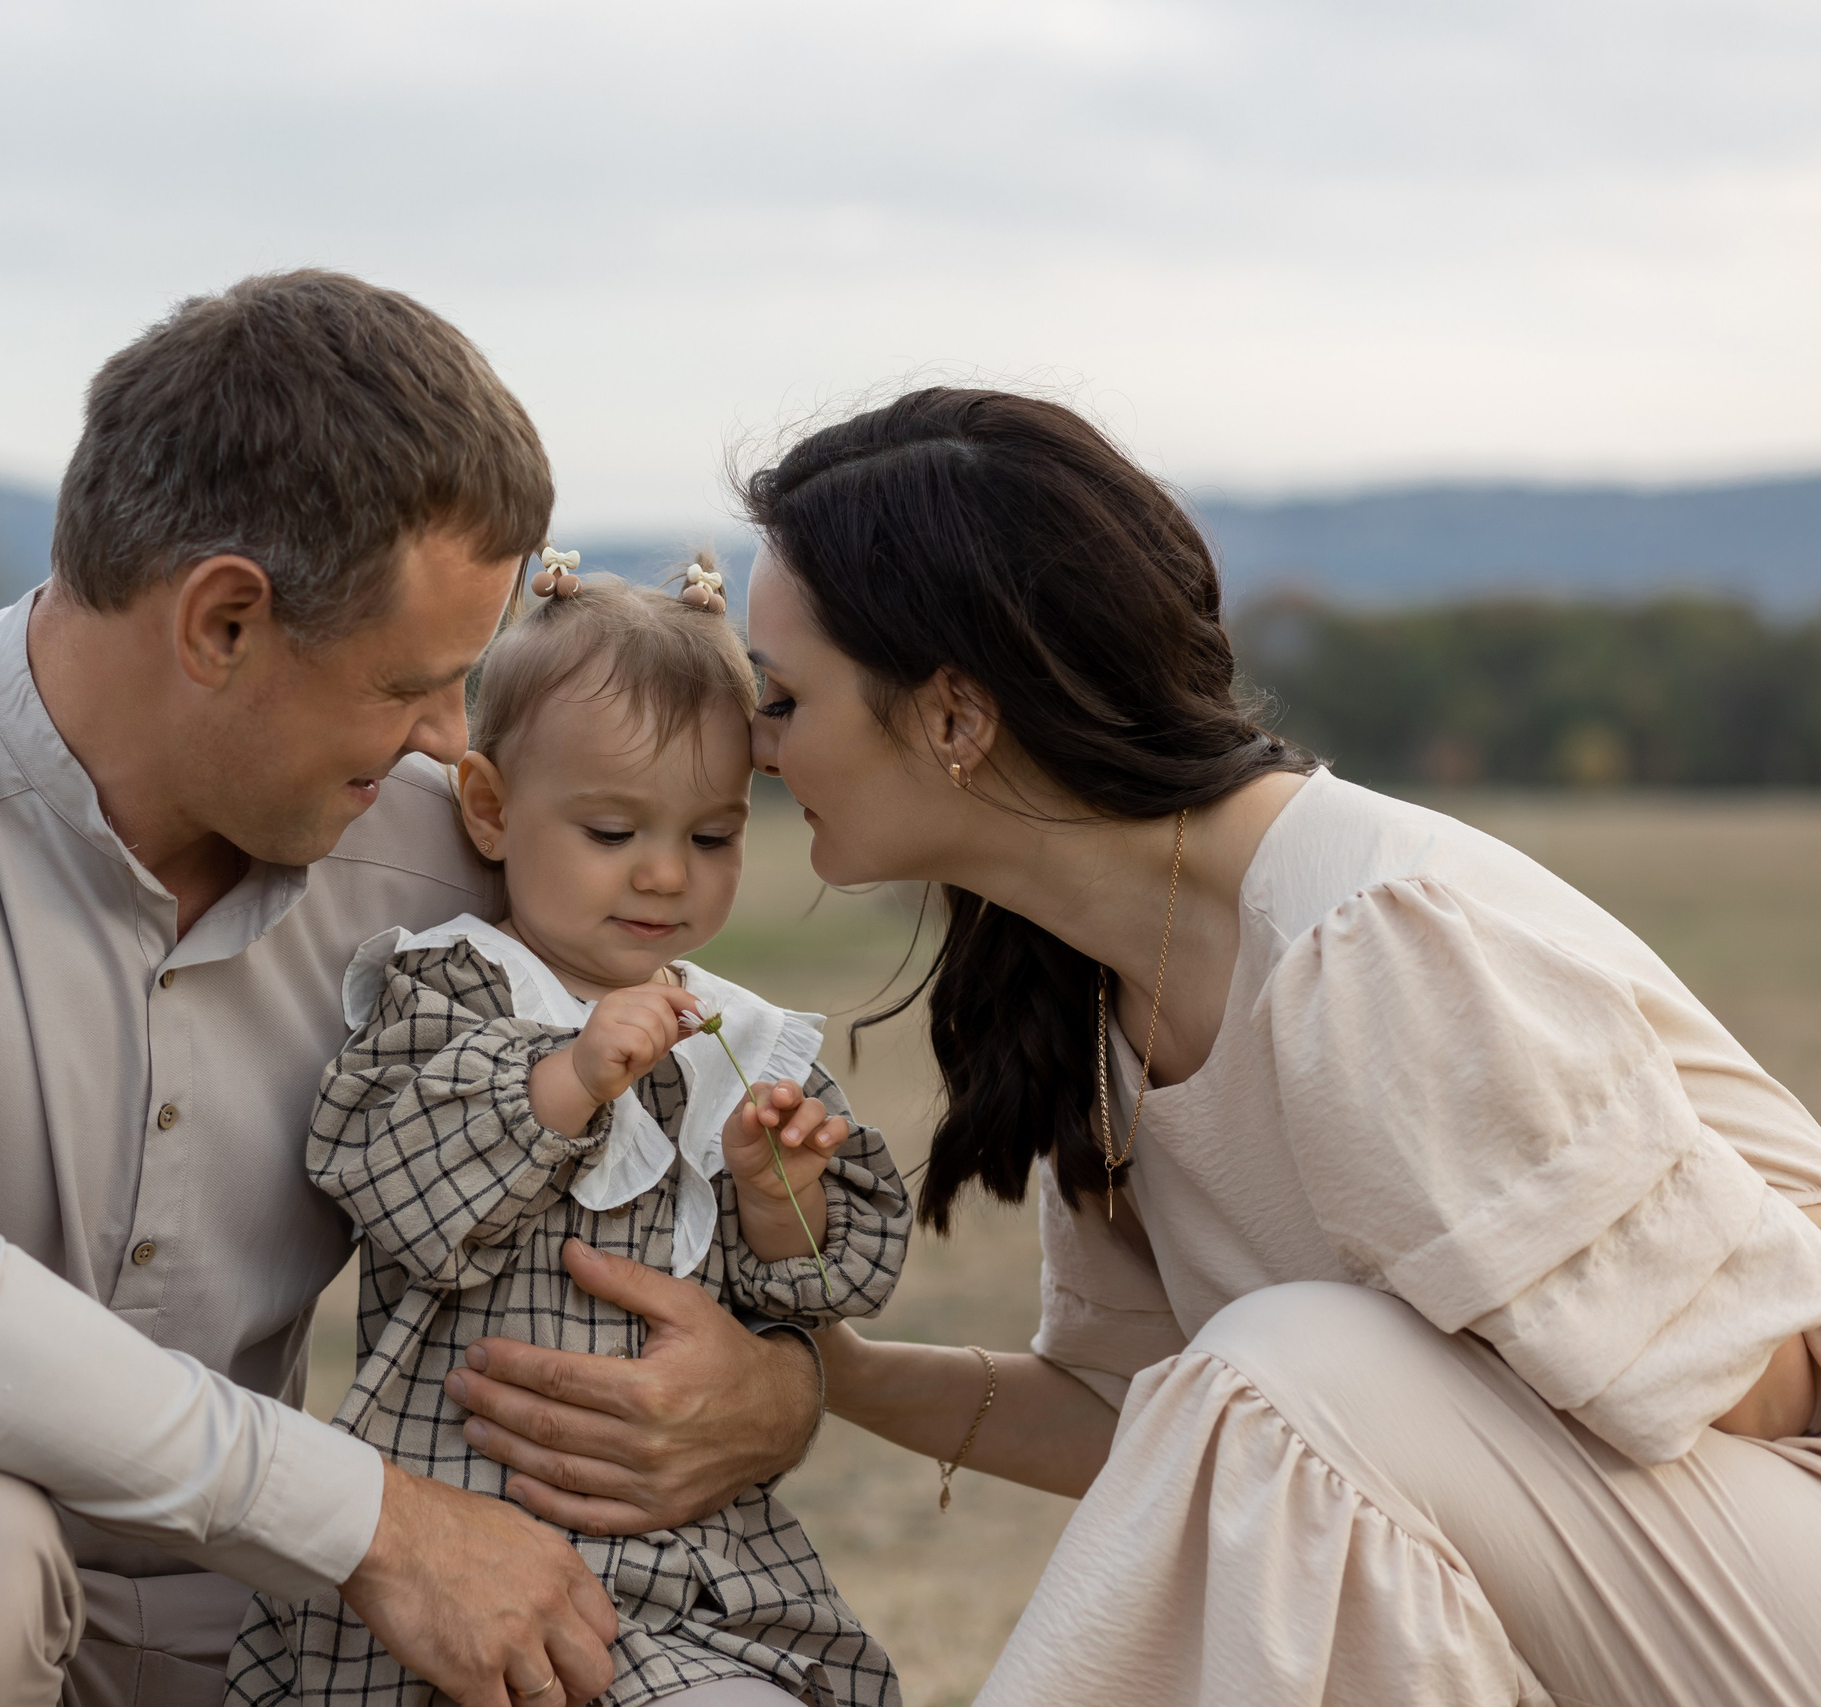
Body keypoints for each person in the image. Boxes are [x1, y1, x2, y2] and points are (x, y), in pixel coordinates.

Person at [0, 272, 828, 1707]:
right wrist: (381, 1521)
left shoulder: (430, 836)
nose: (443, 737)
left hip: (263, 1625)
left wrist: (779, 1391)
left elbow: (677, 1106)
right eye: (412, 681)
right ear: (223, 620)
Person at [734, 388, 1821, 1705]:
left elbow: (1764, 1383)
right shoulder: (1098, 989)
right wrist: (822, 1372)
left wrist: (1436, 1381)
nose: (756, 746)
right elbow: (1143, 1416)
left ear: (957, 718)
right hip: (1629, 1565)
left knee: (1301, 1357)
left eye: (782, 697)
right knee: (1285, 1371)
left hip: (1776, 1546)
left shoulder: (1370, 945)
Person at [229, 564, 911, 1707]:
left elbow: (798, 1296)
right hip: (460, 1534)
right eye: (611, 830)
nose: (663, 874)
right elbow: (390, 1180)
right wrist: (571, 1074)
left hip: (674, 1560)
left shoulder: (736, 1038)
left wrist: (771, 1193)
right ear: (489, 809)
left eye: (711, 837)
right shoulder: (452, 988)